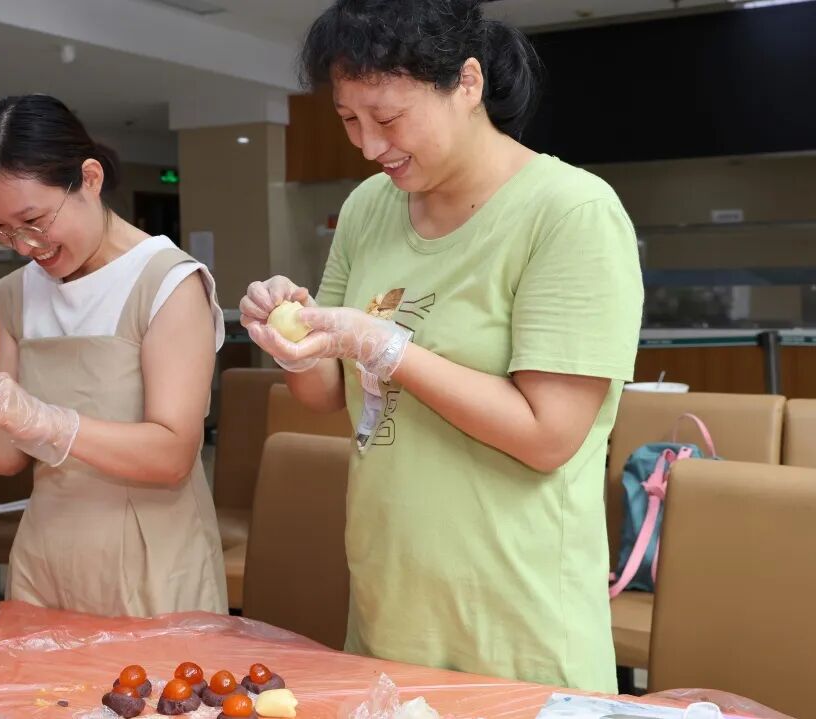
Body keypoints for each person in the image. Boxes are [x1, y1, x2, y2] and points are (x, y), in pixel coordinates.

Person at [239, 0, 643, 692]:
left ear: (468, 83)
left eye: (389, 118)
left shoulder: (570, 212)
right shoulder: (368, 207)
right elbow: (324, 394)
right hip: (390, 598)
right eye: (349, 119)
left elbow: (548, 435)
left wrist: (387, 348)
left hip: (517, 618)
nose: (369, 146)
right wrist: (290, 337)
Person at [0, 94, 226, 617]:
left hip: (152, 560)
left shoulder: (167, 282)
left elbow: (173, 455)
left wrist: (50, 422)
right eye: (0, 229)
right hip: (47, 554)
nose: (23, 245)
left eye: (33, 219)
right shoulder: (17, 293)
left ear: (89, 178)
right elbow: (13, 454)